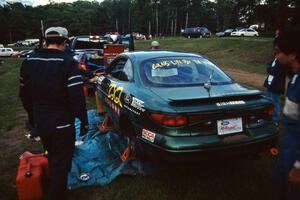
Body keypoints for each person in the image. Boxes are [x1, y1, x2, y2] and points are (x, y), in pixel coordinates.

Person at [19, 26, 88, 200]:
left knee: (50, 153)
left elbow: (24, 95)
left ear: (47, 41)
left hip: (41, 122)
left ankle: (53, 185)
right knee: (62, 161)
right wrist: (84, 121)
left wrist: (33, 118)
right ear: (65, 42)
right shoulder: (68, 62)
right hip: (62, 123)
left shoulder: (29, 61)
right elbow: (77, 97)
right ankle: (57, 193)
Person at [272, 29, 300, 200]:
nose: (276, 57)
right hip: (288, 145)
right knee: (278, 183)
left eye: (278, 52)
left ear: (293, 55)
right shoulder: (294, 78)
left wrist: (298, 167)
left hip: (296, 150)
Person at [263, 58, 286, 124]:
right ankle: (269, 117)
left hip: (276, 86)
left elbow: (275, 71)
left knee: (275, 102)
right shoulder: (274, 60)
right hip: (270, 84)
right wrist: (270, 68)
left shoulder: (282, 61)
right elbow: (268, 66)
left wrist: (270, 69)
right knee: (269, 102)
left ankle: (275, 120)